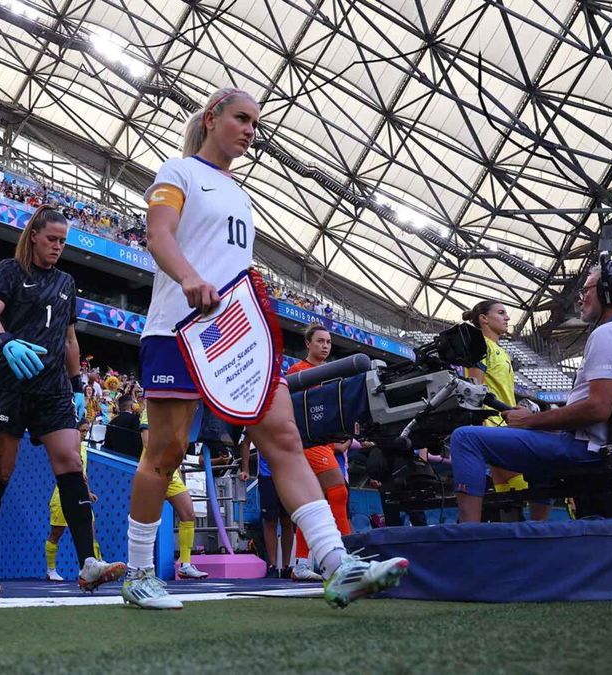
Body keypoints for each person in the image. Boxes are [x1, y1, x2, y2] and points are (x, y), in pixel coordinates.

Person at [125, 87, 407, 610]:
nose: (251, 130)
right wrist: (189, 278)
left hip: (238, 338)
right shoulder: (177, 173)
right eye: (242, 118)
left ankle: (336, 563)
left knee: (285, 439)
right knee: (164, 453)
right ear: (212, 119)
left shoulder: (242, 195)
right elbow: (159, 236)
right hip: (178, 331)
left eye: (255, 122)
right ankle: (139, 572)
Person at [0, 205, 126, 594]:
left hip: (53, 389)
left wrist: (76, 385)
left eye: (63, 241)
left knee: (71, 463)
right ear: (34, 235)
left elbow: (71, 339)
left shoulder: (67, 282)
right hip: (10, 384)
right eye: (52, 239)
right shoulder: (11, 270)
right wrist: (5, 342)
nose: (57, 247)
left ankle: (89, 562)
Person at [449, 259, 612, 522]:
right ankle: (539, 529)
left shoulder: (610, 333)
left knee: (465, 438)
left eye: (586, 290)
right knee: (539, 435)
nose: (582, 299)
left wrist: (529, 420)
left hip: (596, 452)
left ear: (607, 290)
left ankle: (469, 535)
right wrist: (542, 423)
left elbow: (598, 407)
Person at [462, 300, 550, 520]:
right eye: (501, 313)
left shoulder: (501, 351)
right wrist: (480, 426)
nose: (507, 318)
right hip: (494, 426)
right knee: (535, 480)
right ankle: (539, 535)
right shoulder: (480, 345)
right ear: (484, 319)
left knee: (509, 492)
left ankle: (522, 538)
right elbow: (474, 389)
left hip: (507, 425)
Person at [283, 325, 351, 582]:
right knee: (338, 492)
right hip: (307, 442)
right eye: (320, 341)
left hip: (325, 442)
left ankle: (301, 564)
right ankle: (344, 555)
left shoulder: (331, 374)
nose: (325, 346)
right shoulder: (297, 371)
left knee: (316, 503)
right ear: (308, 344)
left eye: (329, 342)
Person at [44, 419, 104, 581]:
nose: (84, 434)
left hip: (81, 494)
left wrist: (88, 492)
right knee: (56, 533)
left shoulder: (84, 449)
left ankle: (92, 567)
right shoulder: (65, 446)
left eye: (86, 431)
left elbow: (84, 474)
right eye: (82, 431)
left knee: (90, 530)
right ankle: (51, 570)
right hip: (61, 495)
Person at [241, 438, 292, 578]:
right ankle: (273, 565)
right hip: (267, 477)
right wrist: (245, 469)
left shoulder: (290, 419)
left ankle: (287, 566)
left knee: (287, 520)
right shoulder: (258, 419)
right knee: (270, 521)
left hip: (289, 477)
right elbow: (245, 442)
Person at [102, 394, 143, 459]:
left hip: (115, 458)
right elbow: (138, 441)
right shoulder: (135, 419)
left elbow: (107, 445)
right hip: (133, 459)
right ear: (132, 406)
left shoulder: (112, 422)